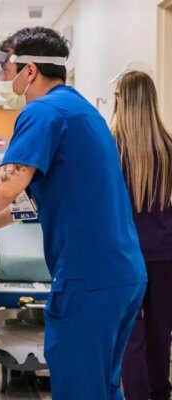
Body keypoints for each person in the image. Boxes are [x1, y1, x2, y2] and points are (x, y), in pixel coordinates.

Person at [0, 27, 147, 399]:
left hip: (88, 277)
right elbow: (28, 201)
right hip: (123, 274)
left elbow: (8, 182)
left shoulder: (43, 112)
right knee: (104, 387)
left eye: (6, 67)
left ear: (29, 71)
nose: (3, 78)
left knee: (79, 389)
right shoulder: (81, 111)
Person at [113, 72, 172, 400]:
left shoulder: (111, 148)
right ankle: (160, 393)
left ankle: (135, 395)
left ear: (121, 99)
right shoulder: (168, 146)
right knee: (161, 329)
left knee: (130, 332)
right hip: (164, 253)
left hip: (126, 254)